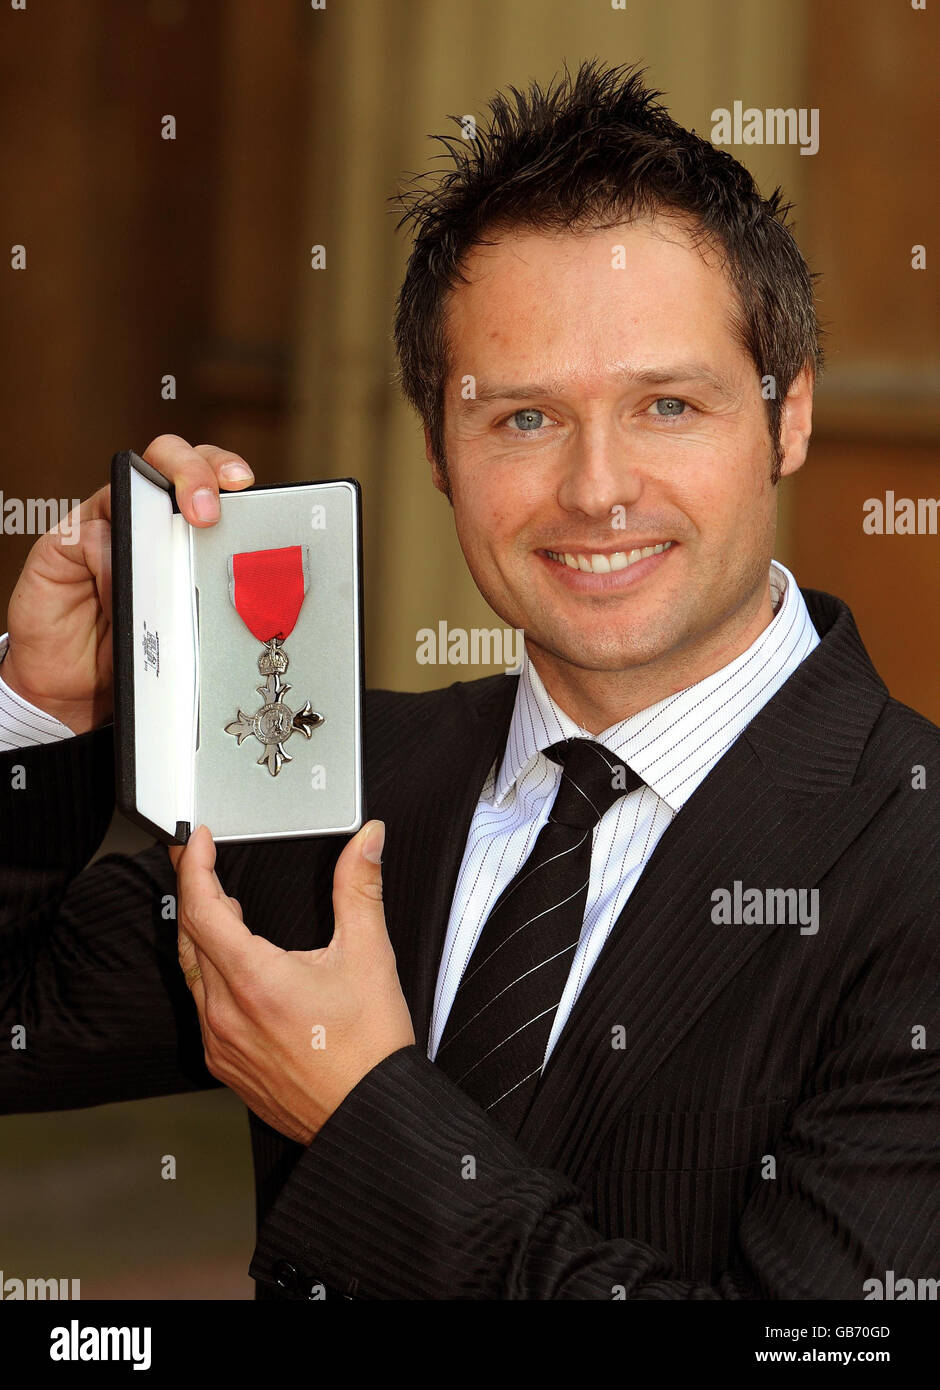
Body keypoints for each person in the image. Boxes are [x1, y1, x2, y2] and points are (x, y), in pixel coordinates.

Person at [1, 61, 937, 1301]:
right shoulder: (338, 782)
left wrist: (358, 1110)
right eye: (523, 419)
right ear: (438, 450)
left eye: (666, 403)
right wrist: (40, 707)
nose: (597, 488)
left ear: (789, 415)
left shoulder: (911, 860)